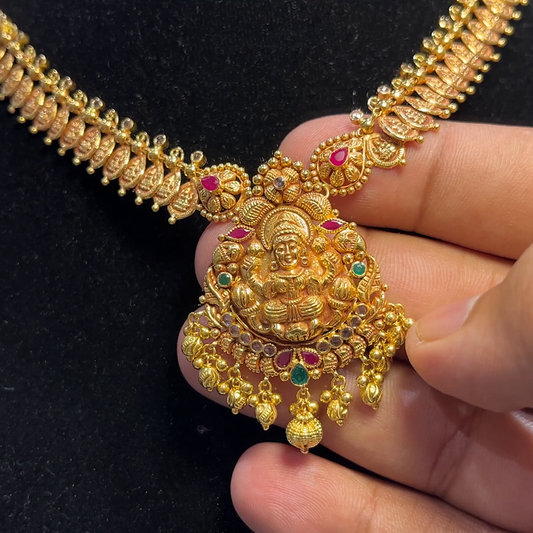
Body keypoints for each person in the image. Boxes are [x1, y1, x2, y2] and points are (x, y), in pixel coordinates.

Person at [178, 115, 533, 532]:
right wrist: (261, 298)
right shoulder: (259, 273)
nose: (289, 252)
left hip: (318, 319)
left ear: (306, 242)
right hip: (274, 325)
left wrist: (318, 293)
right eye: (281, 246)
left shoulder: (321, 265)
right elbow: (250, 294)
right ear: (269, 248)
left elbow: (335, 286)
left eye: (295, 244)